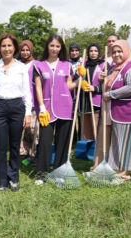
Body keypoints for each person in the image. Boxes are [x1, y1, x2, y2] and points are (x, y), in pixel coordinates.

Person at [0, 33, 32, 192]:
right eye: (3, 46)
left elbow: (27, 92)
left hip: (17, 107)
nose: (6, 49)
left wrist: (27, 113)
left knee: (14, 145)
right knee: (1, 145)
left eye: (9, 45)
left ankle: (14, 178)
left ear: (15, 48)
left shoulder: (22, 67)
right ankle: (2, 180)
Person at [33, 34, 78, 185]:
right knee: (45, 141)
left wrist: (80, 80)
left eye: (57, 46)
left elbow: (69, 86)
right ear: (47, 46)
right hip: (46, 109)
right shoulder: (38, 65)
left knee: (62, 141)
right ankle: (41, 173)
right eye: (52, 45)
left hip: (64, 108)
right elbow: (38, 88)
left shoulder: (66, 65)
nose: (54, 48)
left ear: (61, 48)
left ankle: (59, 171)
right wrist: (41, 108)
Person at [102, 40, 131, 182]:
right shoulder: (116, 68)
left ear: (126, 51)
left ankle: (125, 174)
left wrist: (110, 94)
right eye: (114, 52)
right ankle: (120, 170)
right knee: (119, 143)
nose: (116, 54)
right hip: (120, 113)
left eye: (119, 51)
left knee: (128, 144)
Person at [80, 43, 105, 140]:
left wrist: (95, 88)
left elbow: (107, 83)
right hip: (84, 99)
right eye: (91, 51)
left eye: (95, 51)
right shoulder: (84, 65)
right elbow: (78, 80)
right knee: (86, 126)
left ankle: (96, 148)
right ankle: (87, 147)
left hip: (96, 99)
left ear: (98, 52)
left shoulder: (103, 65)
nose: (93, 53)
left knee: (95, 124)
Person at [18, 40, 38, 158]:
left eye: (27, 50)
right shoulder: (16, 64)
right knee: (22, 127)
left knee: (33, 127)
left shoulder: (37, 64)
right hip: (19, 100)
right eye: (23, 50)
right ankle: (22, 150)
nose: (25, 52)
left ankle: (34, 151)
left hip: (33, 99)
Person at [68, 42, 83, 143]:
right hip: (69, 94)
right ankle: (72, 140)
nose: (74, 53)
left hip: (81, 94)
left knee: (80, 116)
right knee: (70, 116)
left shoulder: (84, 62)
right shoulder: (66, 63)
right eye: (72, 51)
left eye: (76, 50)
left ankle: (81, 139)